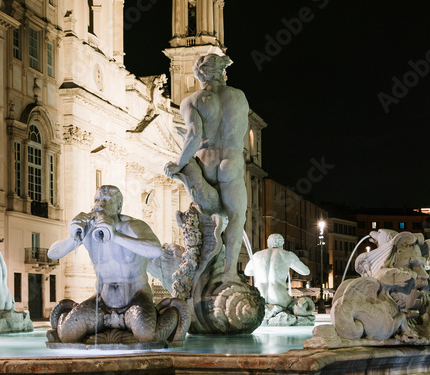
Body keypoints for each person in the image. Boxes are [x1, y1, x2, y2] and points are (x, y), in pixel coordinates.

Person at [165, 53, 250, 283]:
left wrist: (178, 164)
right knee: (236, 217)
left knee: (203, 216)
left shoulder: (191, 101)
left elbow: (193, 136)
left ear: (199, 76)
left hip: (206, 163)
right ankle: (229, 272)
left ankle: (201, 269)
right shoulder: (239, 97)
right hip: (231, 161)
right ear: (222, 72)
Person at [47, 185, 164, 343]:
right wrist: (73, 237)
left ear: (119, 207)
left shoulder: (133, 226)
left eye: (107, 200)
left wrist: (114, 235)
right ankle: (73, 316)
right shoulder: (88, 228)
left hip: (136, 299)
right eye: (97, 199)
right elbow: (52, 253)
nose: (100, 203)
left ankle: (168, 314)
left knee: (146, 334)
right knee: (68, 334)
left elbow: (155, 250)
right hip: (101, 302)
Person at [244, 234, 311, 309]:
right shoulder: (287, 255)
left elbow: (247, 272)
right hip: (278, 296)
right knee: (302, 304)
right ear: (282, 243)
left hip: (259, 295)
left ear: (268, 243)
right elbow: (306, 271)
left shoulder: (257, 255)